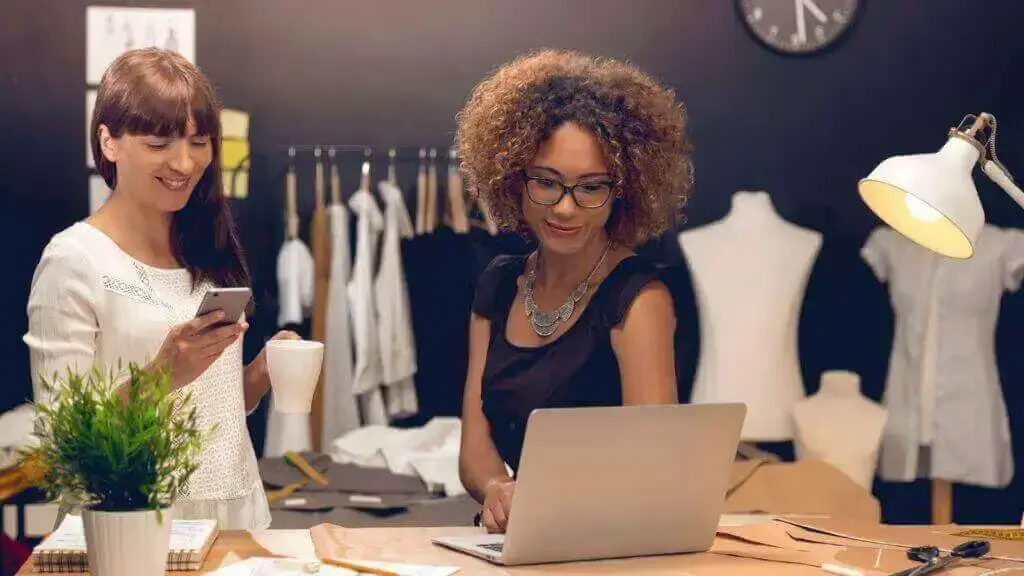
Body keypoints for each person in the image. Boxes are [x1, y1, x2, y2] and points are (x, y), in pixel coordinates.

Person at [23, 48, 296, 530]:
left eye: (199, 141)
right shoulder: (75, 260)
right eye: (158, 144)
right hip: (135, 526)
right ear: (108, 141)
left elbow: (212, 406)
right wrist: (162, 374)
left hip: (238, 518)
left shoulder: (205, 250)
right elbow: (64, 439)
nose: (185, 162)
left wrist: (260, 374)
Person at [455, 49, 693, 533]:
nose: (565, 208)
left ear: (622, 190)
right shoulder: (499, 285)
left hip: (606, 542)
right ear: (514, 181)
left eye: (590, 187)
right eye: (547, 182)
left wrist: (544, 501)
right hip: (517, 542)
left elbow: (651, 465)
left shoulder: (638, 299)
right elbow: (475, 446)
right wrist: (497, 490)